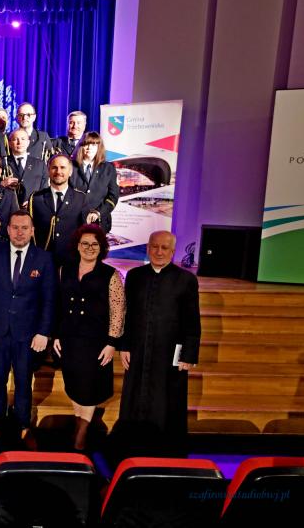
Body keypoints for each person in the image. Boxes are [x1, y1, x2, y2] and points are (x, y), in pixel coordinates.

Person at [118, 231, 201, 446]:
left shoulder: (186, 280)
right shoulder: (135, 276)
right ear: (147, 248)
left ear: (173, 252)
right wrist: (124, 345)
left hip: (170, 351)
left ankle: (165, 447)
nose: (159, 252)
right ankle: (132, 445)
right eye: (154, 247)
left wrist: (188, 354)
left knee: (167, 398)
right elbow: (128, 314)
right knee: (135, 395)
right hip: (138, 348)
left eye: (164, 248)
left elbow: (192, 319)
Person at [0, 210, 55, 439]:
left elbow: (49, 299)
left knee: (23, 381)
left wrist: (43, 332)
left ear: (32, 231)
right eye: (15, 227)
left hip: (28, 334)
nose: (20, 232)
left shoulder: (44, 258)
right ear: (8, 229)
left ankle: (23, 426)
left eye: (24, 228)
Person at [54, 224, 125, 450]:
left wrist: (112, 343)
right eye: (85, 243)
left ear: (101, 248)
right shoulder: (64, 270)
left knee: (89, 387)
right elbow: (57, 305)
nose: (89, 247)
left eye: (95, 244)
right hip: (69, 339)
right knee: (74, 384)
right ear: (77, 246)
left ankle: (81, 434)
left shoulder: (111, 274)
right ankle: (79, 423)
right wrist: (56, 334)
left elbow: (118, 311)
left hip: (96, 341)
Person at [29, 155, 89, 268]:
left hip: (71, 263)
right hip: (43, 263)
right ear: (48, 170)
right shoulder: (36, 198)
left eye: (63, 167)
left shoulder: (81, 198)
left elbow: (86, 234)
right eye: (54, 167)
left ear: (70, 172)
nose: (58, 171)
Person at [70, 131, 119, 233]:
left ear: (99, 147)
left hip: (99, 223)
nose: (89, 148)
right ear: (81, 147)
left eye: (93, 145)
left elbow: (113, 196)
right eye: (86, 144)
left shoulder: (108, 168)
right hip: (74, 223)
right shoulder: (71, 166)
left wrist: (98, 212)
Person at [6, 128, 49, 207]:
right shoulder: (3, 163)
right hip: (9, 207)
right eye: (15, 139)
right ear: (9, 143)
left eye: (23, 139)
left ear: (28, 142)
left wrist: (33, 202)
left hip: (34, 208)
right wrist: (2, 184)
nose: (19, 142)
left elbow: (45, 190)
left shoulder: (40, 164)